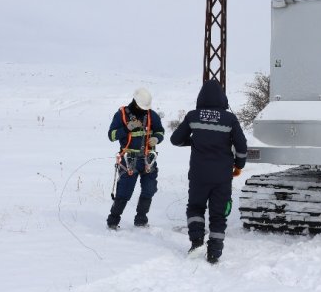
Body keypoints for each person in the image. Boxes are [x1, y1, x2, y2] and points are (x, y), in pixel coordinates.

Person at [170, 79, 247, 264]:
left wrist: (195, 141)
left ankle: (196, 242)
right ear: (223, 98)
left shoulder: (193, 116)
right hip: (222, 175)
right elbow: (242, 146)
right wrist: (239, 165)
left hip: (198, 174)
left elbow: (175, 140)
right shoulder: (230, 119)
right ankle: (215, 252)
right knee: (218, 213)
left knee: (195, 207)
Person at [106, 87, 165, 229]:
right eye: (142, 107)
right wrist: (127, 128)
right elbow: (111, 136)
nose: (144, 110)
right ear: (135, 102)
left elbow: (160, 131)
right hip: (129, 160)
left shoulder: (152, 115)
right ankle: (113, 221)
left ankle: (141, 219)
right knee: (124, 192)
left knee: (149, 190)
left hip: (148, 160)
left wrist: (156, 138)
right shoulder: (121, 115)